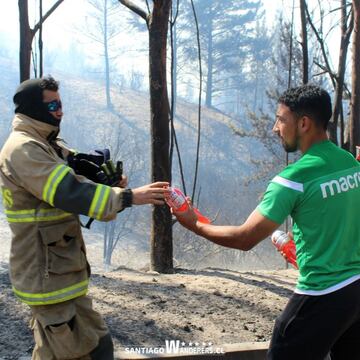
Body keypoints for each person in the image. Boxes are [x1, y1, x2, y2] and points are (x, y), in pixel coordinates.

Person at [173, 84, 360, 360]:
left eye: (281, 119)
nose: (275, 127)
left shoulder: (292, 180)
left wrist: (194, 224)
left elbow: (244, 238)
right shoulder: (350, 163)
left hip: (321, 293)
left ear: (304, 123)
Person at [0, 76, 169, 360]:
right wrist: (127, 196)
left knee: (92, 347)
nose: (60, 110)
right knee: (82, 352)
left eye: (60, 103)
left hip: (61, 274)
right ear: (32, 108)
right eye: (52, 104)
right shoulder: (23, 148)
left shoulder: (47, 143)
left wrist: (107, 180)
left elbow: (76, 170)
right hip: (46, 276)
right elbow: (68, 191)